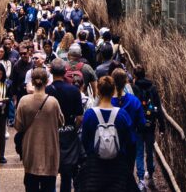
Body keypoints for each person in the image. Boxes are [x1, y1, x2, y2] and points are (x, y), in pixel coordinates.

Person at [78, 76, 135, 192]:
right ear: (114, 90)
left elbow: (84, 139)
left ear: (98, 90)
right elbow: (131, 141)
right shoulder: (122, 115)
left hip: (94, 168)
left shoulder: (89, 114)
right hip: (117, 167)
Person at [15, 67, 65, 192]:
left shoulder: (24, 101)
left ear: (32, 82)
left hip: (31, 152)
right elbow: (61, 122)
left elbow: (18, 126)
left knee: (31, 187)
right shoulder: (53, 102)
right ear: (47, 81)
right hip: (50, 153)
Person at [46, 60, 85, 192]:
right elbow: (80, 117)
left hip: (51, 133)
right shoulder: (74, 91)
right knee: (67, 173)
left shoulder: (47, 91)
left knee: (50, 172)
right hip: (69, 131)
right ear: (65, 72)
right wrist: (73, 127)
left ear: (51, 72)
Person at [110, 69, 146, 189]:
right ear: (126, 82)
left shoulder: (108, 101)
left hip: (111, 143)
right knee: (128, 172)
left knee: (114, 174)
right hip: (130, 142)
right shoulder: (134, 101)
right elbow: (141, 123)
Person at [129, 65, 162, 185]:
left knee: (139, 152)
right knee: (149, 150)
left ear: (135, 75)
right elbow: (158, 108)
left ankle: (141, 179)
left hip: (138, 125)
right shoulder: (152, 88)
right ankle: (151, 176)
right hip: (150, 124)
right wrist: (161, 126)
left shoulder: (133, 88)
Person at [9, 42, 34, 126]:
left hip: (32, 95)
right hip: (21, 95)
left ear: (29, 52)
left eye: (24, 53)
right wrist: (14, 97)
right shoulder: (16, 66)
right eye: (21, 54)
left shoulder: (34, 64)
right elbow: (14, 82)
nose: (23, 55)